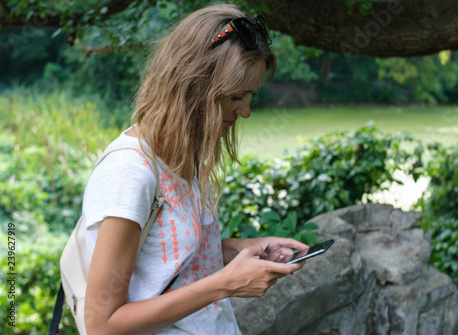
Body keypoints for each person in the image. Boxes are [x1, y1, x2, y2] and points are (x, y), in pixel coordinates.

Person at [83, 3, 308, 335]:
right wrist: (224, 285)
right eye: (234, 96)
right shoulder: (130, 174)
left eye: (250, 96)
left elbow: (171, 259)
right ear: (192, 88)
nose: (245, 111)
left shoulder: (182, 154)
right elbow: (102, 324)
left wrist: (249, 248)